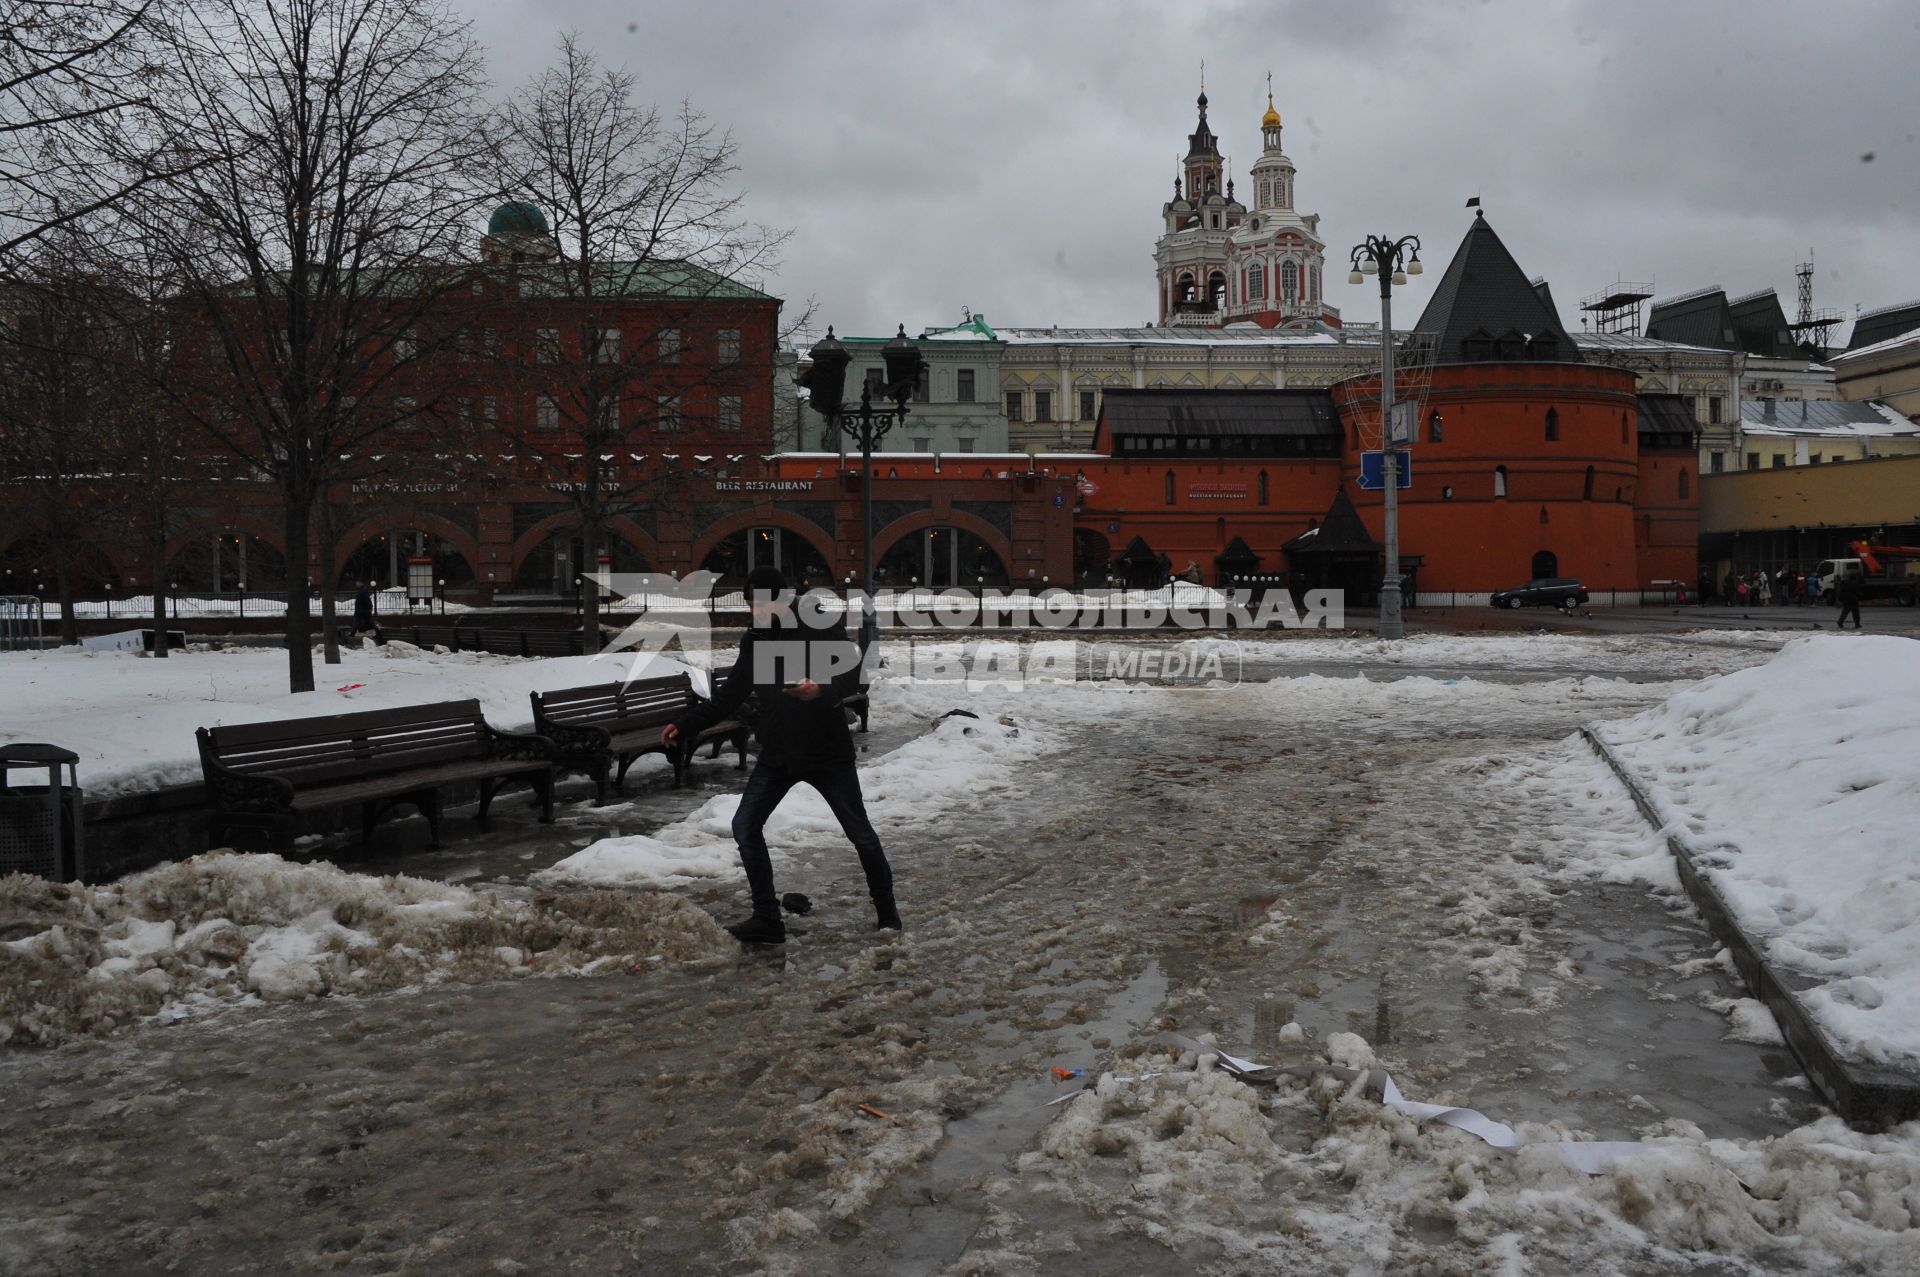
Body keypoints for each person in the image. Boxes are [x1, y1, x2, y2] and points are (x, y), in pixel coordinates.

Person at [662, 566, 896, 944]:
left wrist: (819, 689)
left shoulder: (816, 624)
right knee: (745, 826)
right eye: (750, 604)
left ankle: (888, 914)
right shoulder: (755, 638)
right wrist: (686, 724)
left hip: (825, 752)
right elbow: (731, 693)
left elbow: (853, 673)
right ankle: (767, 919)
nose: (752, 612)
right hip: (779, 753)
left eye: (758, 603)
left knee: (860, 835)